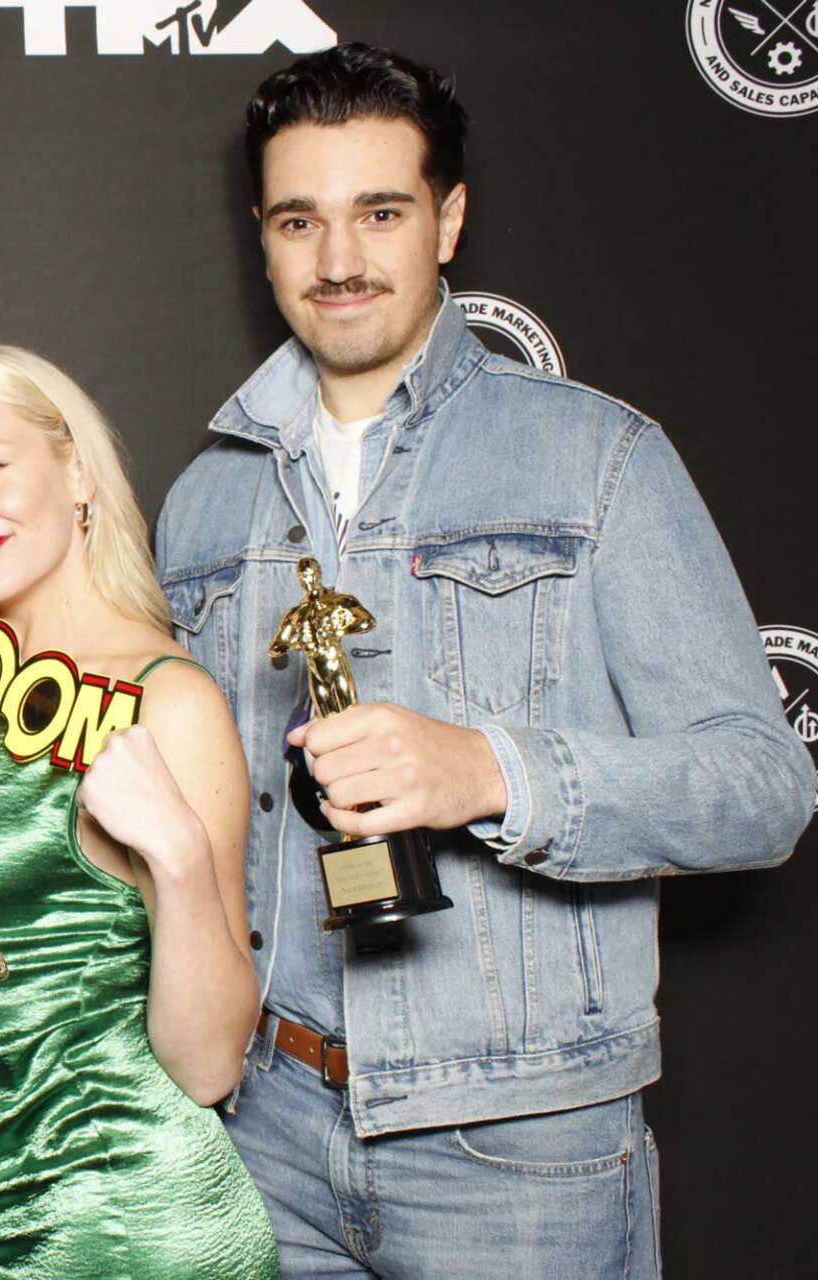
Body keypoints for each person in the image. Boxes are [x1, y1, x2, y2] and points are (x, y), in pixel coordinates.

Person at [155, 44, 815, 1277]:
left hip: (520, 1146)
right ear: (262, 236)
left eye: (381, 212)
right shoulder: (203, 504)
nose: (339, 259)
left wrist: (492, 772)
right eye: (301, 220)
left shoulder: (597, 457)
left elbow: (761, 785)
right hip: (267, 1129)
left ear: (448, 220)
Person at [0, 345, 279, 1279]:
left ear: (78, 471)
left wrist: (172, 848)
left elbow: (212, 1068)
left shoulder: (168, 699)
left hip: (121, 1225)